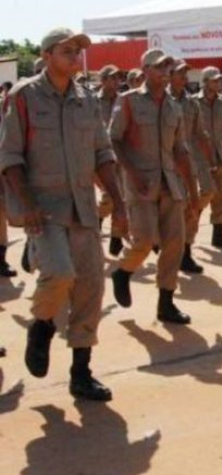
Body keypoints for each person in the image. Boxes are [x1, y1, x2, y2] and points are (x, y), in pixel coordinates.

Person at [0, 27, 127, 400]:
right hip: (46, 210)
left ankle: (81, 373)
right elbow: (10, 157)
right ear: (46, 56)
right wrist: (28, 205)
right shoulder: (24, 97)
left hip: (84, 209)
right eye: (67, 50)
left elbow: (103, 153)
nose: (76, 56)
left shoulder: (85, 99)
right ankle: (41, 326)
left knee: (90, 288)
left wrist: (118, 201)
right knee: (58, 273)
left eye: (78, 51)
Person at [109, 48, 199, 325]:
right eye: (160, 67)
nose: (165, 72)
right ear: (145, 69)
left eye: (168, 67)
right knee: (144, 241)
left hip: (170, 185)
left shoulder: (174, 106)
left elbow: (180, 149)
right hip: (141, 185)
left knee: (174, 245)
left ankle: (166, 304)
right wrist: (132, 173)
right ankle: (123, 272)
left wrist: (193, 191)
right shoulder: (128, 102)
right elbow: (114, 139)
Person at [168, 59, 217, 275]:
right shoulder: (160, 99)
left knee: (201, 198)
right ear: (169, 75)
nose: (184, 77)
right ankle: (166, 247)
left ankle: (185, 251)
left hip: (189, 163)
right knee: (169, 210)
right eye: (180, 73)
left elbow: (200, 133)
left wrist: (212, 160)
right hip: (165, 164)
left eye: (185, 74)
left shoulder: (191, 103)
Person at [192, 67, 222, 249]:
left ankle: (218, 235)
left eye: (220, 80)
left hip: (219, 154)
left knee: (221, 196)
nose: (219, 83)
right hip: (199, 156)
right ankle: (191, 223)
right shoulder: (192, 102)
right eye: (215, 80)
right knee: (206, 191)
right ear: (205, 82)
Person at [94, 65, 126, 257]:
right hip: (100, 157)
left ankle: (116, 237)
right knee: (108, 196)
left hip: (121, 155)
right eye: (112, 78)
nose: (116, 82)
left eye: (118, 78)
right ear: (103, 80)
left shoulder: (124, 100)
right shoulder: (92, 101)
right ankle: (98, 218)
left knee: (121, 197)